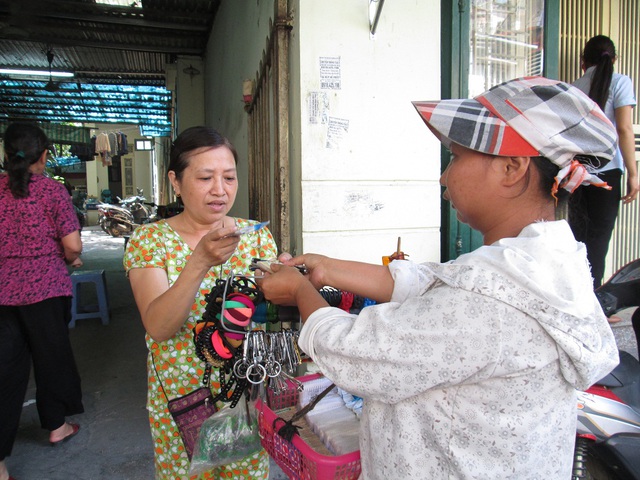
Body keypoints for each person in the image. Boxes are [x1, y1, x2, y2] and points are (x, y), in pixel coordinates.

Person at [258, 77, 620, 479]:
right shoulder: (540, 265)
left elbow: (353, 352)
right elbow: (437, 280)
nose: (445, 176)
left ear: (512, 168)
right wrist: (328, 268)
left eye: (456, 157)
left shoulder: (491, 307)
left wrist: (300, 290)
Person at [123, 126, 277, 479]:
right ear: (175, 182)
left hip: (244, 400)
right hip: (183, 403)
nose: (220, 190)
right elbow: (159, 327)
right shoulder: (151, 240)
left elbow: (270, 314)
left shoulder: (255, 237)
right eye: (205, 177)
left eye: (229, 177)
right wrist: (200, 261)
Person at [0, 122, 84, 480]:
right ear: (45, 155)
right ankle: (56, 426)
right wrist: (68, 257)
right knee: (51, 360)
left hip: (3, 292)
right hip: (46, 289)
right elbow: (74, 245)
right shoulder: (52, 191)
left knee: (4, 371)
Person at [570, 35, 638, 289]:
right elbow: (624, 129)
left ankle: (579, 295)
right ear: (615, 59)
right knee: (599, 237)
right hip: (607, 172)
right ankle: (595, 300)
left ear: (582, 62)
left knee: (578, 237)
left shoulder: (574, 87)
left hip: (576, 172)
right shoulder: (621, 82)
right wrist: (633, 173)